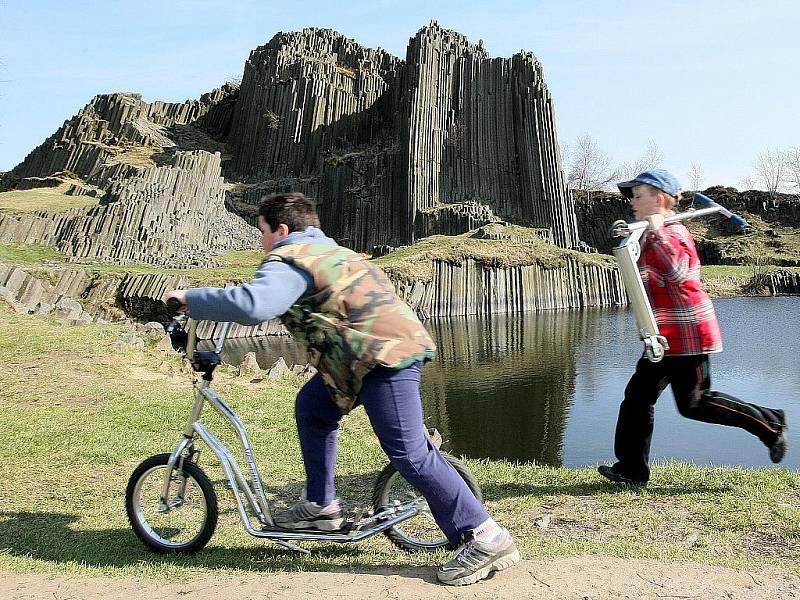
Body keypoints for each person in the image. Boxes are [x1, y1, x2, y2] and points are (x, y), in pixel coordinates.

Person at [166, 192, 520, 586]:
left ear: (281, 230)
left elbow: (256, 305)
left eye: (262, 233)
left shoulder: (293, 257)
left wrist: (190, 299)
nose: (261, 243)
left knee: (410, 453)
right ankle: (321, 506)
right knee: (313, 407)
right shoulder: (334, 253)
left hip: (384, 357)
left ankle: (488, 536)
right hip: (363, 358)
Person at [597, 169, 788, 488]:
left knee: (696, 403)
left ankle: (770, 424)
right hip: (662, 337)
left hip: (688, 334)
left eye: (638, 194)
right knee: (638, 397)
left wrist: (658, 233)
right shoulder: (646, 233)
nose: (632, 201)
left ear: (659, 198)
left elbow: (678, 274)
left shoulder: (674, 234)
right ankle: (631, 470)